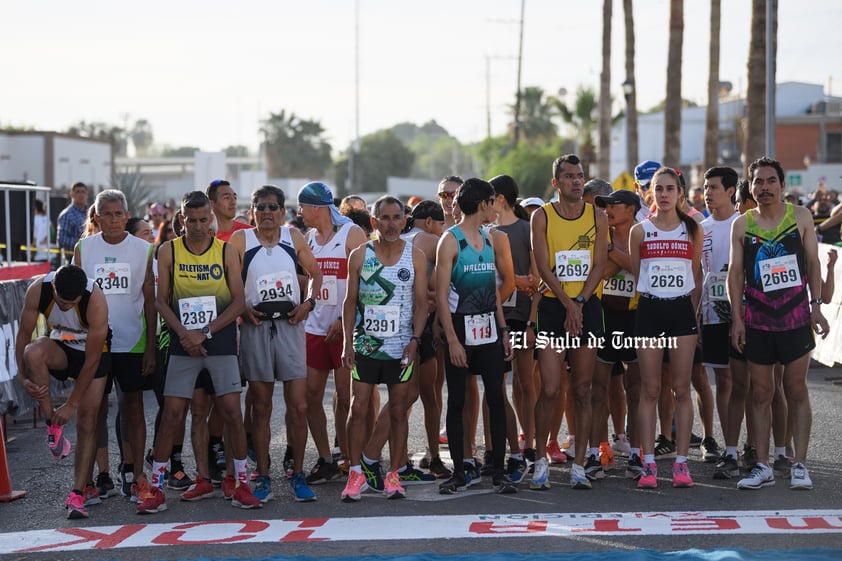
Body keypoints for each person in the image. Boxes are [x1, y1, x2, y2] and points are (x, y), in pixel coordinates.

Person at [142, 190, 259, 514]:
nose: (196, 226)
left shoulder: (225, 251)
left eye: (202, 220)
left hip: (218, 341)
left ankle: (241, 484)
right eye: (190, 220)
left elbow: (238, 301)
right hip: (183, 344)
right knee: (172, 415)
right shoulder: (168, 251)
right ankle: (156, 488)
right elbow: (161, 301)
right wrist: (185, 334)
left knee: (232, 414)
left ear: (210, 219)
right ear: (181, 220)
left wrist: (204, 332)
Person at [729, 157, 829, 491]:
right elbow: (735, 273)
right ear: (750, 186)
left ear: (782, 186)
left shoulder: (799, 217)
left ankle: (799, 464)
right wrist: (738, 319)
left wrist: (816, 307)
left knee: (796, 388)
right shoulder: (742, 224)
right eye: (758, 182)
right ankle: (762, 464)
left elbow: (813, 263)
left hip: (796, 317)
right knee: (760, 392)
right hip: (757, 320)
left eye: (771, 181)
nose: (765, 187)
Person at [229, 185, 322, 503]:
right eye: (260, 207)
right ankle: (263, 474)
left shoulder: (292, 237)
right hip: (256, 328)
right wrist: (242, 308)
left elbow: (316, 274)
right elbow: (230, 282)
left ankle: (297, 473)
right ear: (252, 211)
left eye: (273, 207)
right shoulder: (241, 240)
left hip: (291, 325)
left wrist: (308, 304)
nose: (267, 212)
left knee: (298, 406)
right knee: (261, 406)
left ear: (283, 212)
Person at [340, 196, 429, 500]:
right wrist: (346, 342)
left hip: (400, 349)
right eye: (385, 218)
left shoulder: (414, 256)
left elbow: (422, 304)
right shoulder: (359, 255)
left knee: (399, 411)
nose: (391, 223)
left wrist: (415, 340)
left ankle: (393, 474)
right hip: (365, 345)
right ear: (374, 222)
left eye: (396, 217)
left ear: (405, 220)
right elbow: (349, 302)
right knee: (359, 407)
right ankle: (355, 474)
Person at [530, 154, 608, 490]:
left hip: (587, 306)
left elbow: (599, 263)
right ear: (556, 183)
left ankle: (579, 464)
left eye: (580, 176)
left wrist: (579, 303)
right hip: (552, 306)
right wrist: (566, 303)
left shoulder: (597, 215)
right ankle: (538, 461)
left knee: (582, 389)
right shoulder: (542, 216)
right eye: (569, 176)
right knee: (549, 388)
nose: (576, 181)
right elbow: (544, 266)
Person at [75, 190, 156, 505]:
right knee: (94, 411)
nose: (112, 220)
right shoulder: (84, 249)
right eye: (105, 214)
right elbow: (78, 298)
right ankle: (98, 477)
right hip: (95, 343)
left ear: (126, 215)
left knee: (133, 409)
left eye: (118, 213)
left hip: (132, 340)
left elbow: (150, 301)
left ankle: (137, 477)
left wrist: (150, 347)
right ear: (96, 218)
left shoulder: (142, 249)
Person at [436, 178, 514, 494]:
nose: (495, 208)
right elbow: (440, 296)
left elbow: (493, 291)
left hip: (489, 329)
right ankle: (459, 472)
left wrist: (504, 330)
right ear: (482, 205)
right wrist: (453, 340)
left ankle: (498, 470)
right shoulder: (450, 241)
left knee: (496, 397)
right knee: (457, 401)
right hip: (460, 328)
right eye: (492, 203)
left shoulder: (490, 238)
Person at [15, 265, 111, 518]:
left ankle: (78, 493)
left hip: (92, 355)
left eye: (72, 303)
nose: (66, 307)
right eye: (61, 302)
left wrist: (71, 404)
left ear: (81, 295)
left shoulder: (95, 299)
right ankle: (52, 426)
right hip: (61, 348)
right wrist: (23, 379)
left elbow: (91, 362)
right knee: (32, 352)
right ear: (54, 288)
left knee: (87, 420)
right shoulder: (38, 289)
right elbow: (24, 335)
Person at [630, 166, 703, 489]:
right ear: (650, 193)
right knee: (649, 389)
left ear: (680, 193)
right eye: (658, 188)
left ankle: (681, 462)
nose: (663, 194)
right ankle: (648, 464)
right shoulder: (640, 231)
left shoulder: (692, 229)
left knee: (682, 388)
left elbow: (696, 274)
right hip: (650, 310)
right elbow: (637, 274)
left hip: (680, 312)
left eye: (670, 188)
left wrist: (696, 316)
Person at [298, 182, 368, 484]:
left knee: (345, 398)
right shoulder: (308, 239)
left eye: (302, 207)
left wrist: (344, 321)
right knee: (311, 396)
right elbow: (306, 283)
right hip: (314, 327)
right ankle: (327, 458)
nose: (300, 213)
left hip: (343, 329)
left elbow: (367, 284)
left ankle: (352, 459)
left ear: (316, 207)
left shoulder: (351, 234)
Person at [698, 167, 746, 479]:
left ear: (731, 191)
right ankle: (728, 447)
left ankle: (752, 446)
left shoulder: (742, 223)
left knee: (747, 382)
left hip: (743, 314)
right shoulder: (700, 227)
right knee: (723, 381)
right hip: (711, 312)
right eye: (705, 187)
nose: (708, 192)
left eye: (714, 187)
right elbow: (699, 274)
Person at [593, 189, 643, 479]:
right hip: (605, 318)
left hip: (636, 319)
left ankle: (636, 452)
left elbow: (642, 270)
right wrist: (617, 255)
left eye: (615, 205)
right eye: (606, 206)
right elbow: (601, 274)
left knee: (636, 391)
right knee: (597, 390)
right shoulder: (603, 237)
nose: (608, 210)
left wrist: (613, 253)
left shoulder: (643, 234)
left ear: (632, 209)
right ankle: (602, 450)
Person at [57, 182, 89, 264]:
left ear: (87, 195)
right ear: (72, 194)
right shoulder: (66, 215)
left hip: (90, 258)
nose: (81, 195)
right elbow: (62, 240)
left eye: (83, 192)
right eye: (77, 192)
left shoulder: (90, 213)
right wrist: (81, 243)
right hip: (73, 261)